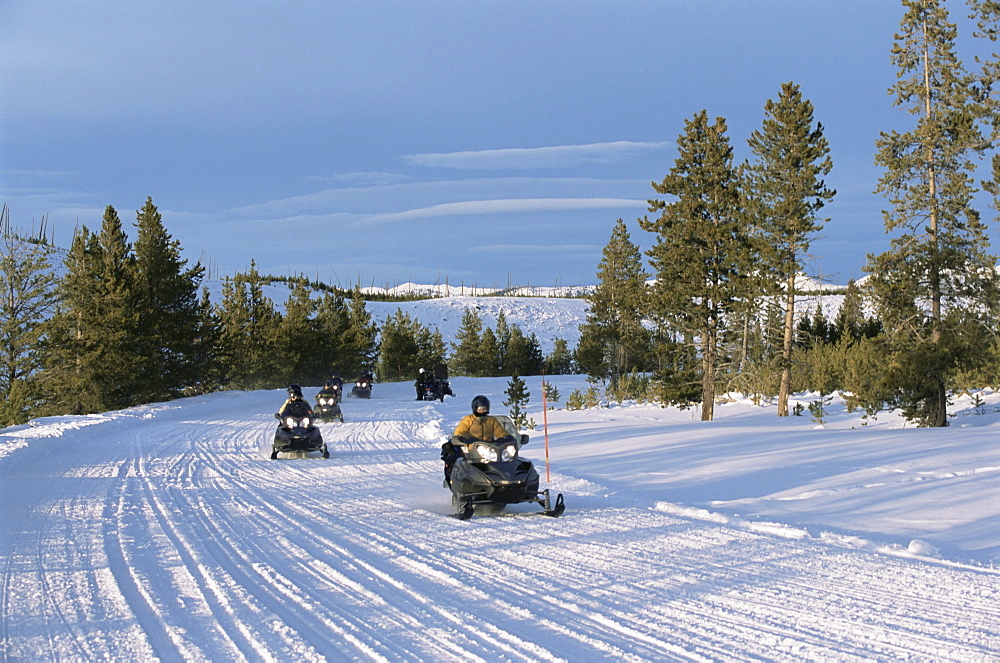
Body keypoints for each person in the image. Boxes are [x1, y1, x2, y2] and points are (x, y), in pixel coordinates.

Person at [441, 395, 511, 485]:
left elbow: (500, 432)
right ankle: (462, 485)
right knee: (463, 464)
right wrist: (462, 438)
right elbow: (459, 431)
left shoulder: (492, 420)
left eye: (484, 409)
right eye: (480, 409)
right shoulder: (469, 419)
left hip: (490, 448)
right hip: (471, 450)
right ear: (475, 408)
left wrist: (506, 438)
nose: (482, 411)